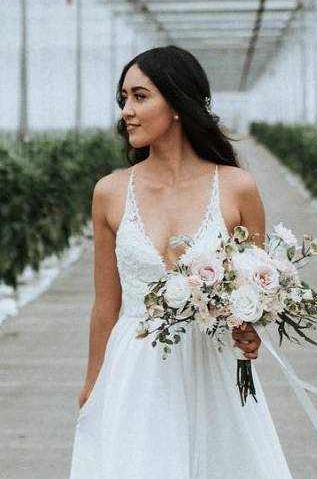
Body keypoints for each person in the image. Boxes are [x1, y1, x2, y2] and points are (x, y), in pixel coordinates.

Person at [69, 46, 295, 478]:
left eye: (139, 96)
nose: (126, 112)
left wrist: (249, 331)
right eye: (123, 100)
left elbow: (252, 292)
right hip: (134, 370)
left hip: (212, 368)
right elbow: (105, 306)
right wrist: (93, 383)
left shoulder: (237, 188)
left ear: (176, 104)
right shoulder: (110, 193)